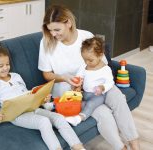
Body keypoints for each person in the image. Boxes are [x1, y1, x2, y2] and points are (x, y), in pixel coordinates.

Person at [38, 5, 140, 150]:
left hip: (97, 85)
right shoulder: (46, 43)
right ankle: (121, 148)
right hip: (72, 93)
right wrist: (65, 78)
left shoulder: (86, 36)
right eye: (50, 30)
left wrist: (94, 81)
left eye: (57, 30)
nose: (53, 34)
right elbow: (47, 74)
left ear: (68, 23)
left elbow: (103, 63)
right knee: (103, 113)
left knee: (117, 97)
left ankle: (135, 144)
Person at [0, 42, 86, 150]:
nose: (5, 68)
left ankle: (78, 147)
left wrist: (42, 99)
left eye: (7, 64)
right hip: (17, 115)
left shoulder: (16, 76)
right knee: (44, 122)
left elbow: (27, 94)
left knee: (59, 118)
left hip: (32, 108)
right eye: (1, 66)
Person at [66, 37, 115, 126]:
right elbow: (79, 76)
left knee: (91, 104)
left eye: (90, 60)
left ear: (100, 55)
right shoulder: (83, 66)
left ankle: (78, 118)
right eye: (84, 59)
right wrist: (77, 84)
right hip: (84, 93)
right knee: (70, 96)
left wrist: (102, 87)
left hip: (97, 96)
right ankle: (54, 105)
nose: (87, 62)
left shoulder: (105, 69)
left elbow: (110, 82)